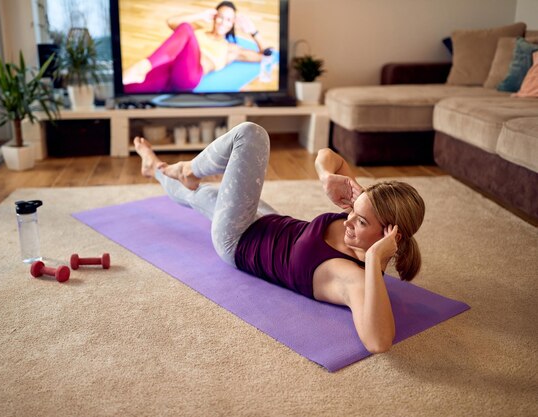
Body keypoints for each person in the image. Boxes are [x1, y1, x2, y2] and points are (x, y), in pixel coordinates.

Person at [134, 122, 426, 354]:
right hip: (267, 219)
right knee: (204, 193)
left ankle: (184, 169)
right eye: (355, 211)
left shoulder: (356, 279)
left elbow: (379, 343)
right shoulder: (366, 210)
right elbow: (328, 155)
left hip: (238, 239)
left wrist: (374, 259)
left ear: (391, 236)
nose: (348, 219)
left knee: (250, 136)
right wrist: (325, 175)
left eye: (361, 222)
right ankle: (155, 167)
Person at [123, 1, 270, 93]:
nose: (223, 22)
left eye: (228, 20)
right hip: (169, 70)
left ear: (232, 24)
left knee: (186, 28)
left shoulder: (232, 49)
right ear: (214, 17)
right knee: (126, 88)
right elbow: (171, 22)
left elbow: (266, 56)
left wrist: (253, 32)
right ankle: (143, 69)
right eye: (220, 17)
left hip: (189, 76)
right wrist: (200, 14)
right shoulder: (199, 29)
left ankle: (144, 65)